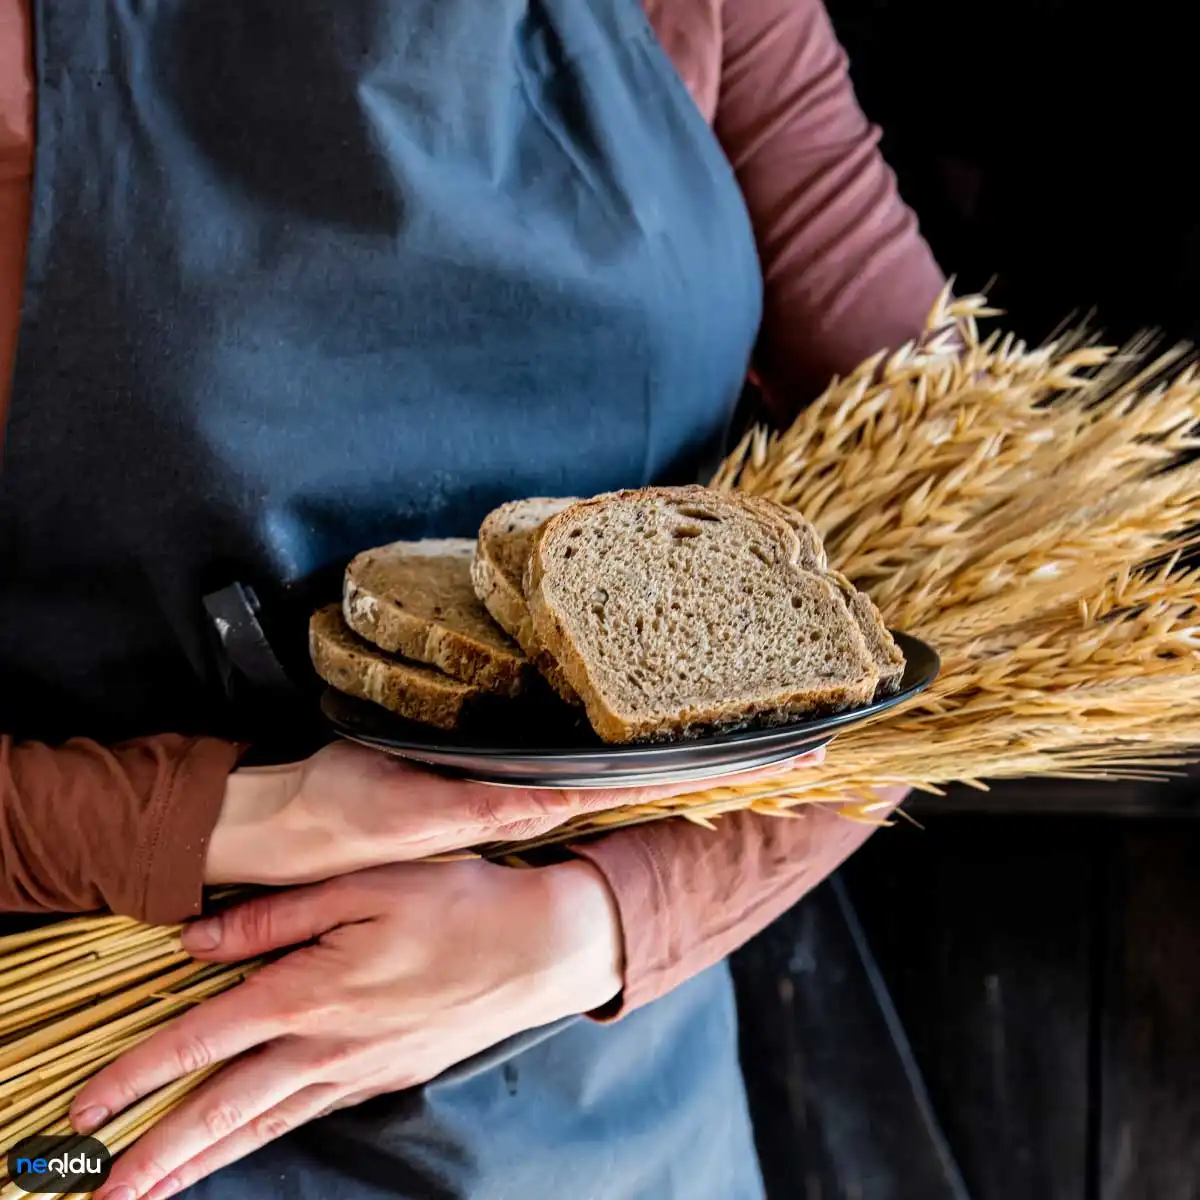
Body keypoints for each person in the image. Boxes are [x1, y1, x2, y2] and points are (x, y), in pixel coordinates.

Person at [0, 0, 944, 1196]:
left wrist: (599, 924)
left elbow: (973, 544)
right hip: (110, 1103)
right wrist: (233, 820)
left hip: (617, 1128)